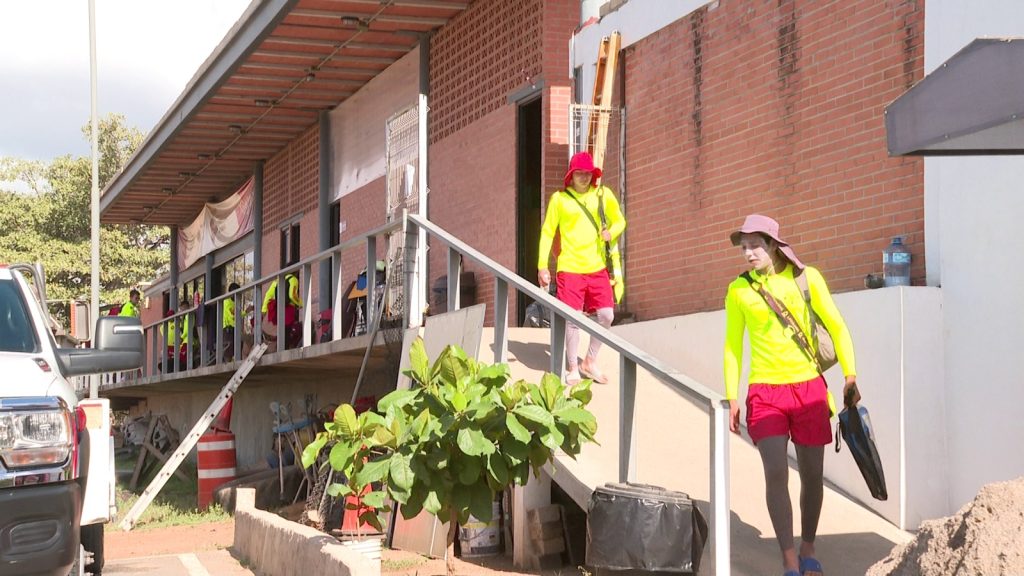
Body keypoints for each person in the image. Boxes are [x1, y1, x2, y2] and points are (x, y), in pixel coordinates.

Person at [723, 214, 860, 576]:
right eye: (744, 247)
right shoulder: (738, 290)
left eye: (755, 245)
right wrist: (731, 395)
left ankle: (809, 545)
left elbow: (837, 325)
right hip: (764, 391)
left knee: (813, 475)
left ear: (773, 245)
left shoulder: (806, 278)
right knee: (775, 472)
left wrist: (850, 376)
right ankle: (788, 557)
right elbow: (732, 347)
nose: (748, 253)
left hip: (809, 388)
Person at [537, 151, 625, 384]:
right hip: (570, 266)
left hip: (597, 266)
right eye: (579, 173)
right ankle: (573, 367)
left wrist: (611, 233)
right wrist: (542, 266)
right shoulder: (560, 199)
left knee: (606, 315)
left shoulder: (603, 195)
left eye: (588, 173)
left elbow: (620, 221)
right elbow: (547, 232)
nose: (584, 178)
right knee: (572, 318)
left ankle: (590, 361)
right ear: (571, 176)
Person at [261, 272, 303, 349]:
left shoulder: (277, 280)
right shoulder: (293, 279)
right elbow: (292, 295)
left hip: (278, 308)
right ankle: (284, 348)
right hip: (288, 308)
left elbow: (268, 294)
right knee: (287, 330)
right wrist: (300, 304)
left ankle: (279, 347)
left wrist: (264, 309)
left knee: (281, 330)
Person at [222, 283, 240, 361]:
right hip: (228, 327)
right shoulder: (227, 301)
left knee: (236, 345)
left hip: (234, 327)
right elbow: (233, 314)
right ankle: (227, 362)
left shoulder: (235, 302)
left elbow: (238, 313)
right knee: (229, 346)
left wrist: (246, 311)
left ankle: (233, 360)